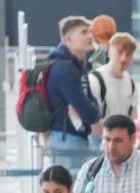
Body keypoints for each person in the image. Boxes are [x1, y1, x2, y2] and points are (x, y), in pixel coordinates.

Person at [41, 15, 104, 162]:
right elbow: (86, 109)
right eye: (83, 32)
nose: (90, 36)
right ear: (69, 39)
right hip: (67, 139)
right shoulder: (64, 69)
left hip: (71, 137)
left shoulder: (76, 66)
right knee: (72, 184)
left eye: (90, 32)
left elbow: (88, 103)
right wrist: (92, 112)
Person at [88, 30, 140, 120]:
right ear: (109, 53)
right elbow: (91, 120)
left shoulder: (131, 83)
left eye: (128, 54)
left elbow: (134, 117)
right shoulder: (94, 80)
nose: (124, 59)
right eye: (119, 52)